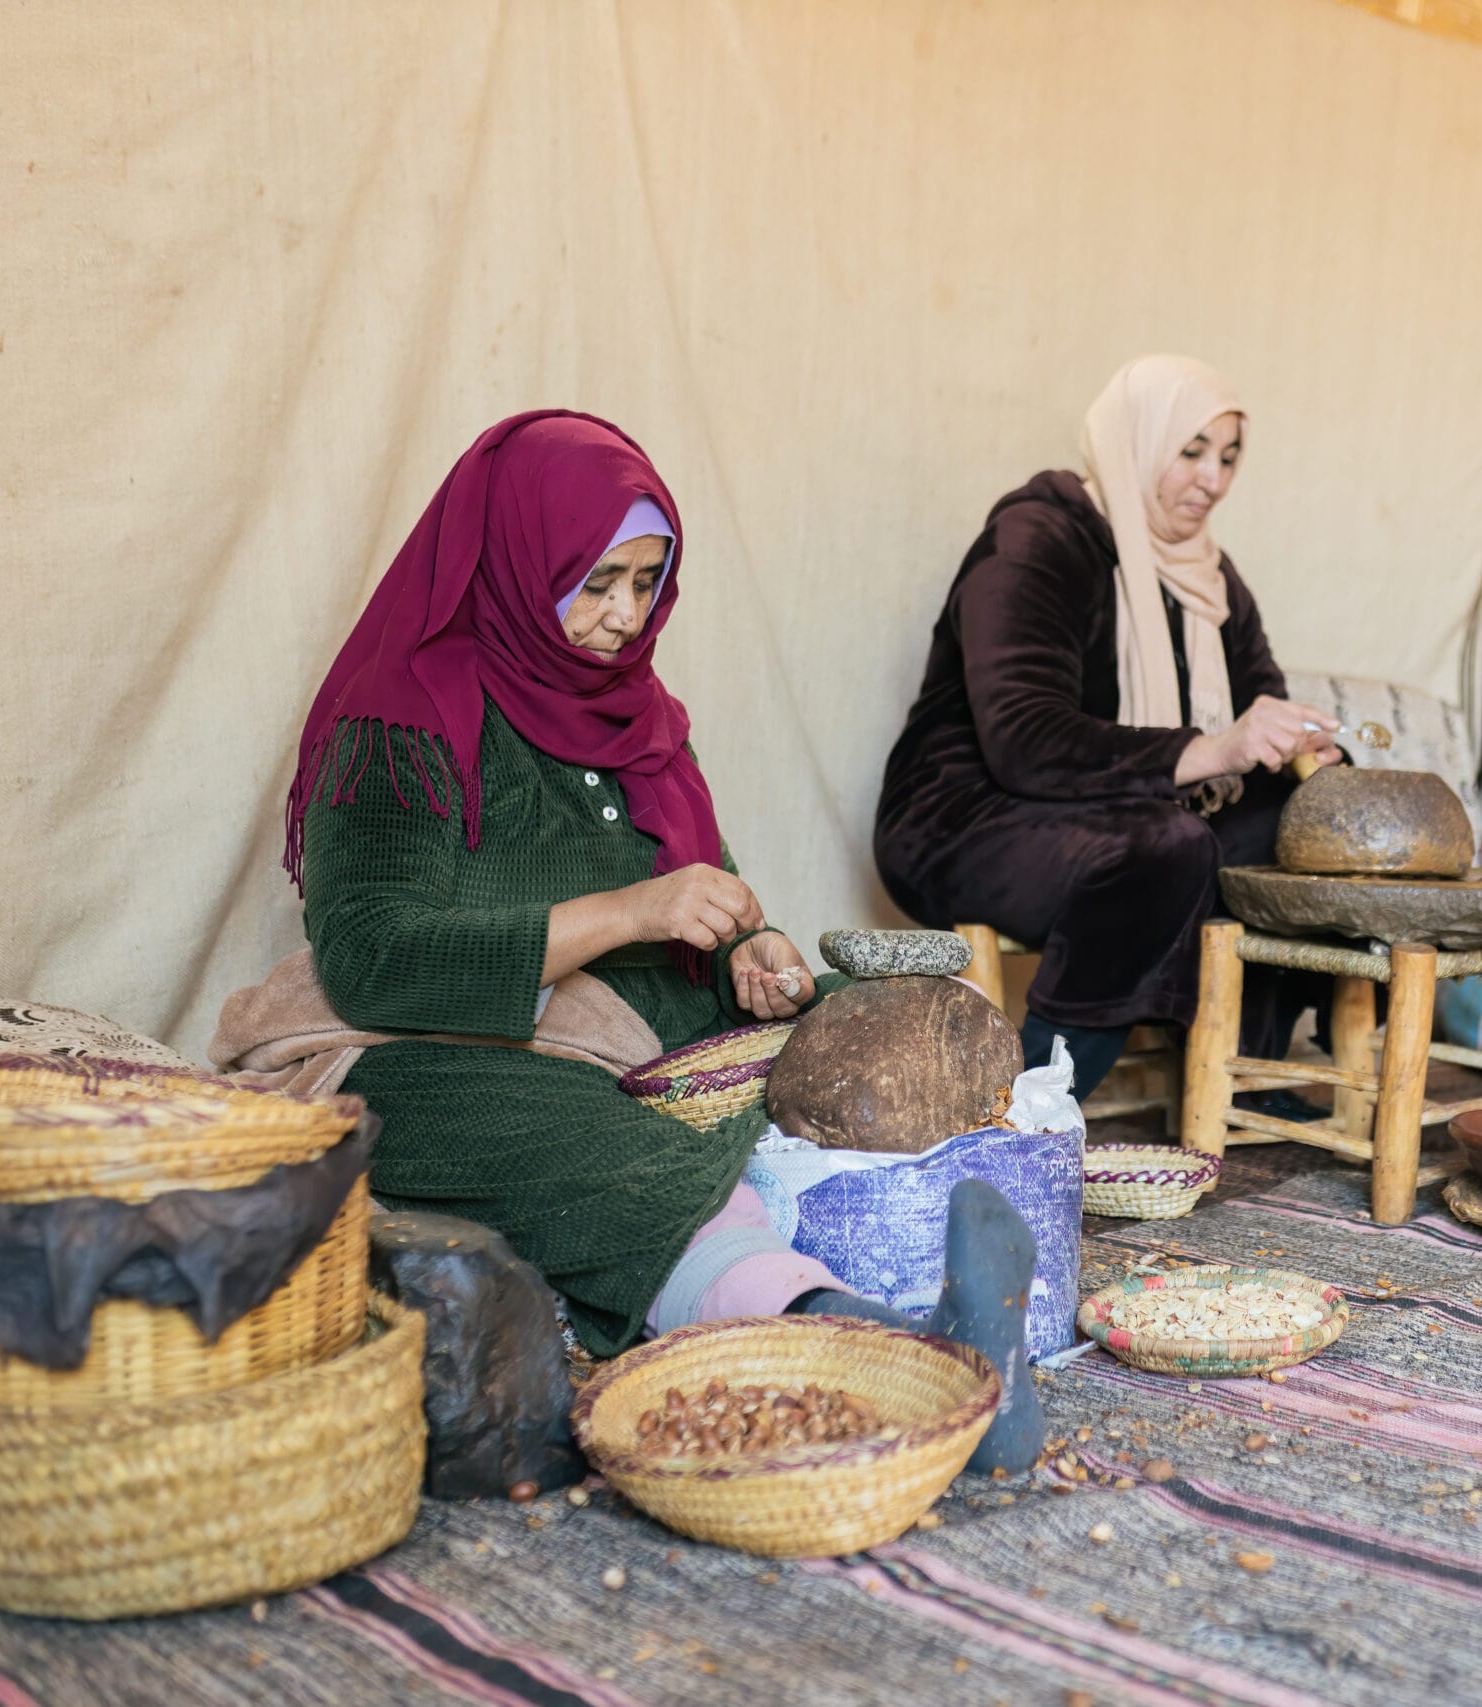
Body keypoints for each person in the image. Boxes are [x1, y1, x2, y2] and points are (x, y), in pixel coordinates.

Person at [276, 410, 1039, 1465]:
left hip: (646, 1042)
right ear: (513, 559)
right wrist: (634, 915)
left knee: (872, 1025)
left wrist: (748, 955)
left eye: (645, 582)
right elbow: (371, 958)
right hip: (448, 1054)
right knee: (562, 1132)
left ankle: (877, 1319)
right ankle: (882, 1347)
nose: (622, 617)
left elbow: (707, 894)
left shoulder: (637, 715)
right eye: (593, 581)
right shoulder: (402, 717)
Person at [875, 355, 1341, 1101]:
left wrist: (1307, 752)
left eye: (1227, 457)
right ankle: (1037, 1096)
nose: (1213, 481)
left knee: (1303, 823)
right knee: (1165, 847)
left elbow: (1260, 702)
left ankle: (1242, 1070)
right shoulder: (1039, 539)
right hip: (964, 816)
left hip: (1116, 813)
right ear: (1138, 440)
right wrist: (1211, 748)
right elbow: (1024, 739)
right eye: (1190, 451)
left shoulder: (1210, 578)